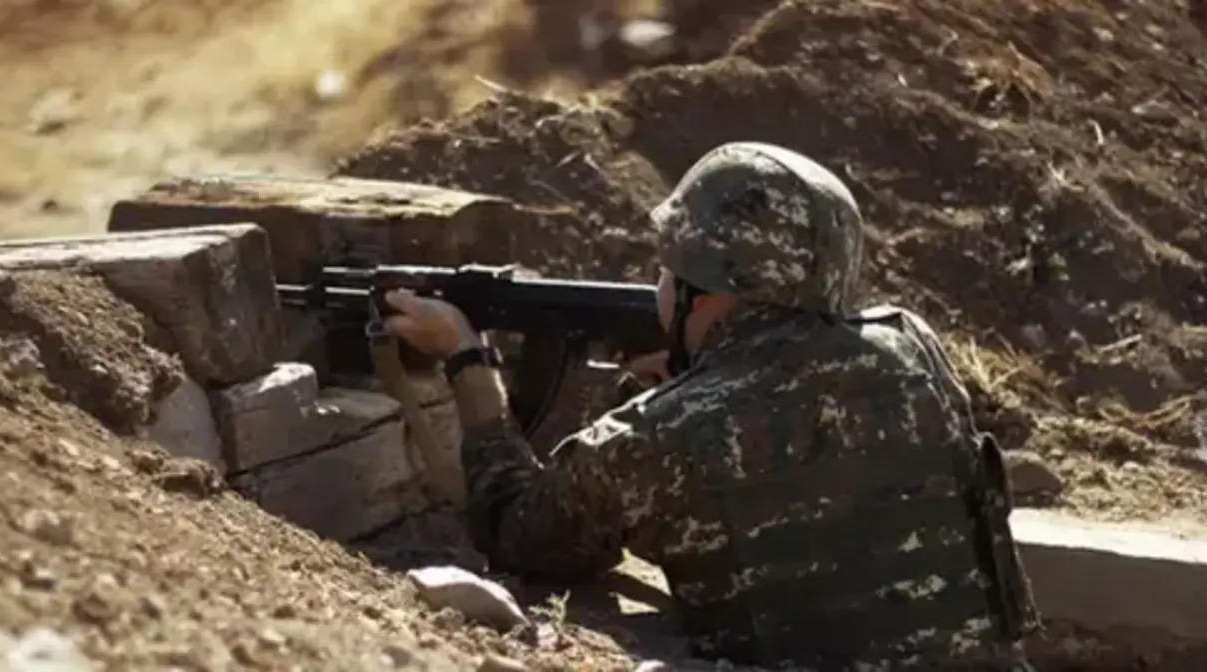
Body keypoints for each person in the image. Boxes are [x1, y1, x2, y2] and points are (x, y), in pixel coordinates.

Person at [384, 141, 1042, 669]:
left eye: (667, 267)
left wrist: (468, 357)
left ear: (707, 286)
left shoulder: (663, 436)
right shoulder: (916, 349)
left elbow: (515, 528)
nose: (658, 282)